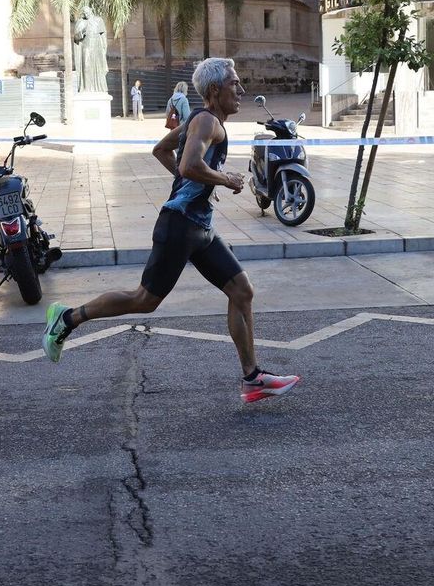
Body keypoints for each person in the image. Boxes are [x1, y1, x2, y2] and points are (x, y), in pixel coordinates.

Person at [41, 57, 300, 404]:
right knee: (143, 301)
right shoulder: (207, 121)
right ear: (214, 90)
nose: (240, 90)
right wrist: (223, 179)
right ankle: (67, 318)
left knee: (242, 291)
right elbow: (189, 164)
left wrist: (191, 187)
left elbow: (162, 151)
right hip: (179, 228)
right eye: (234, 84)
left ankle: (253, 378)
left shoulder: (199, 118)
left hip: (199, 228)